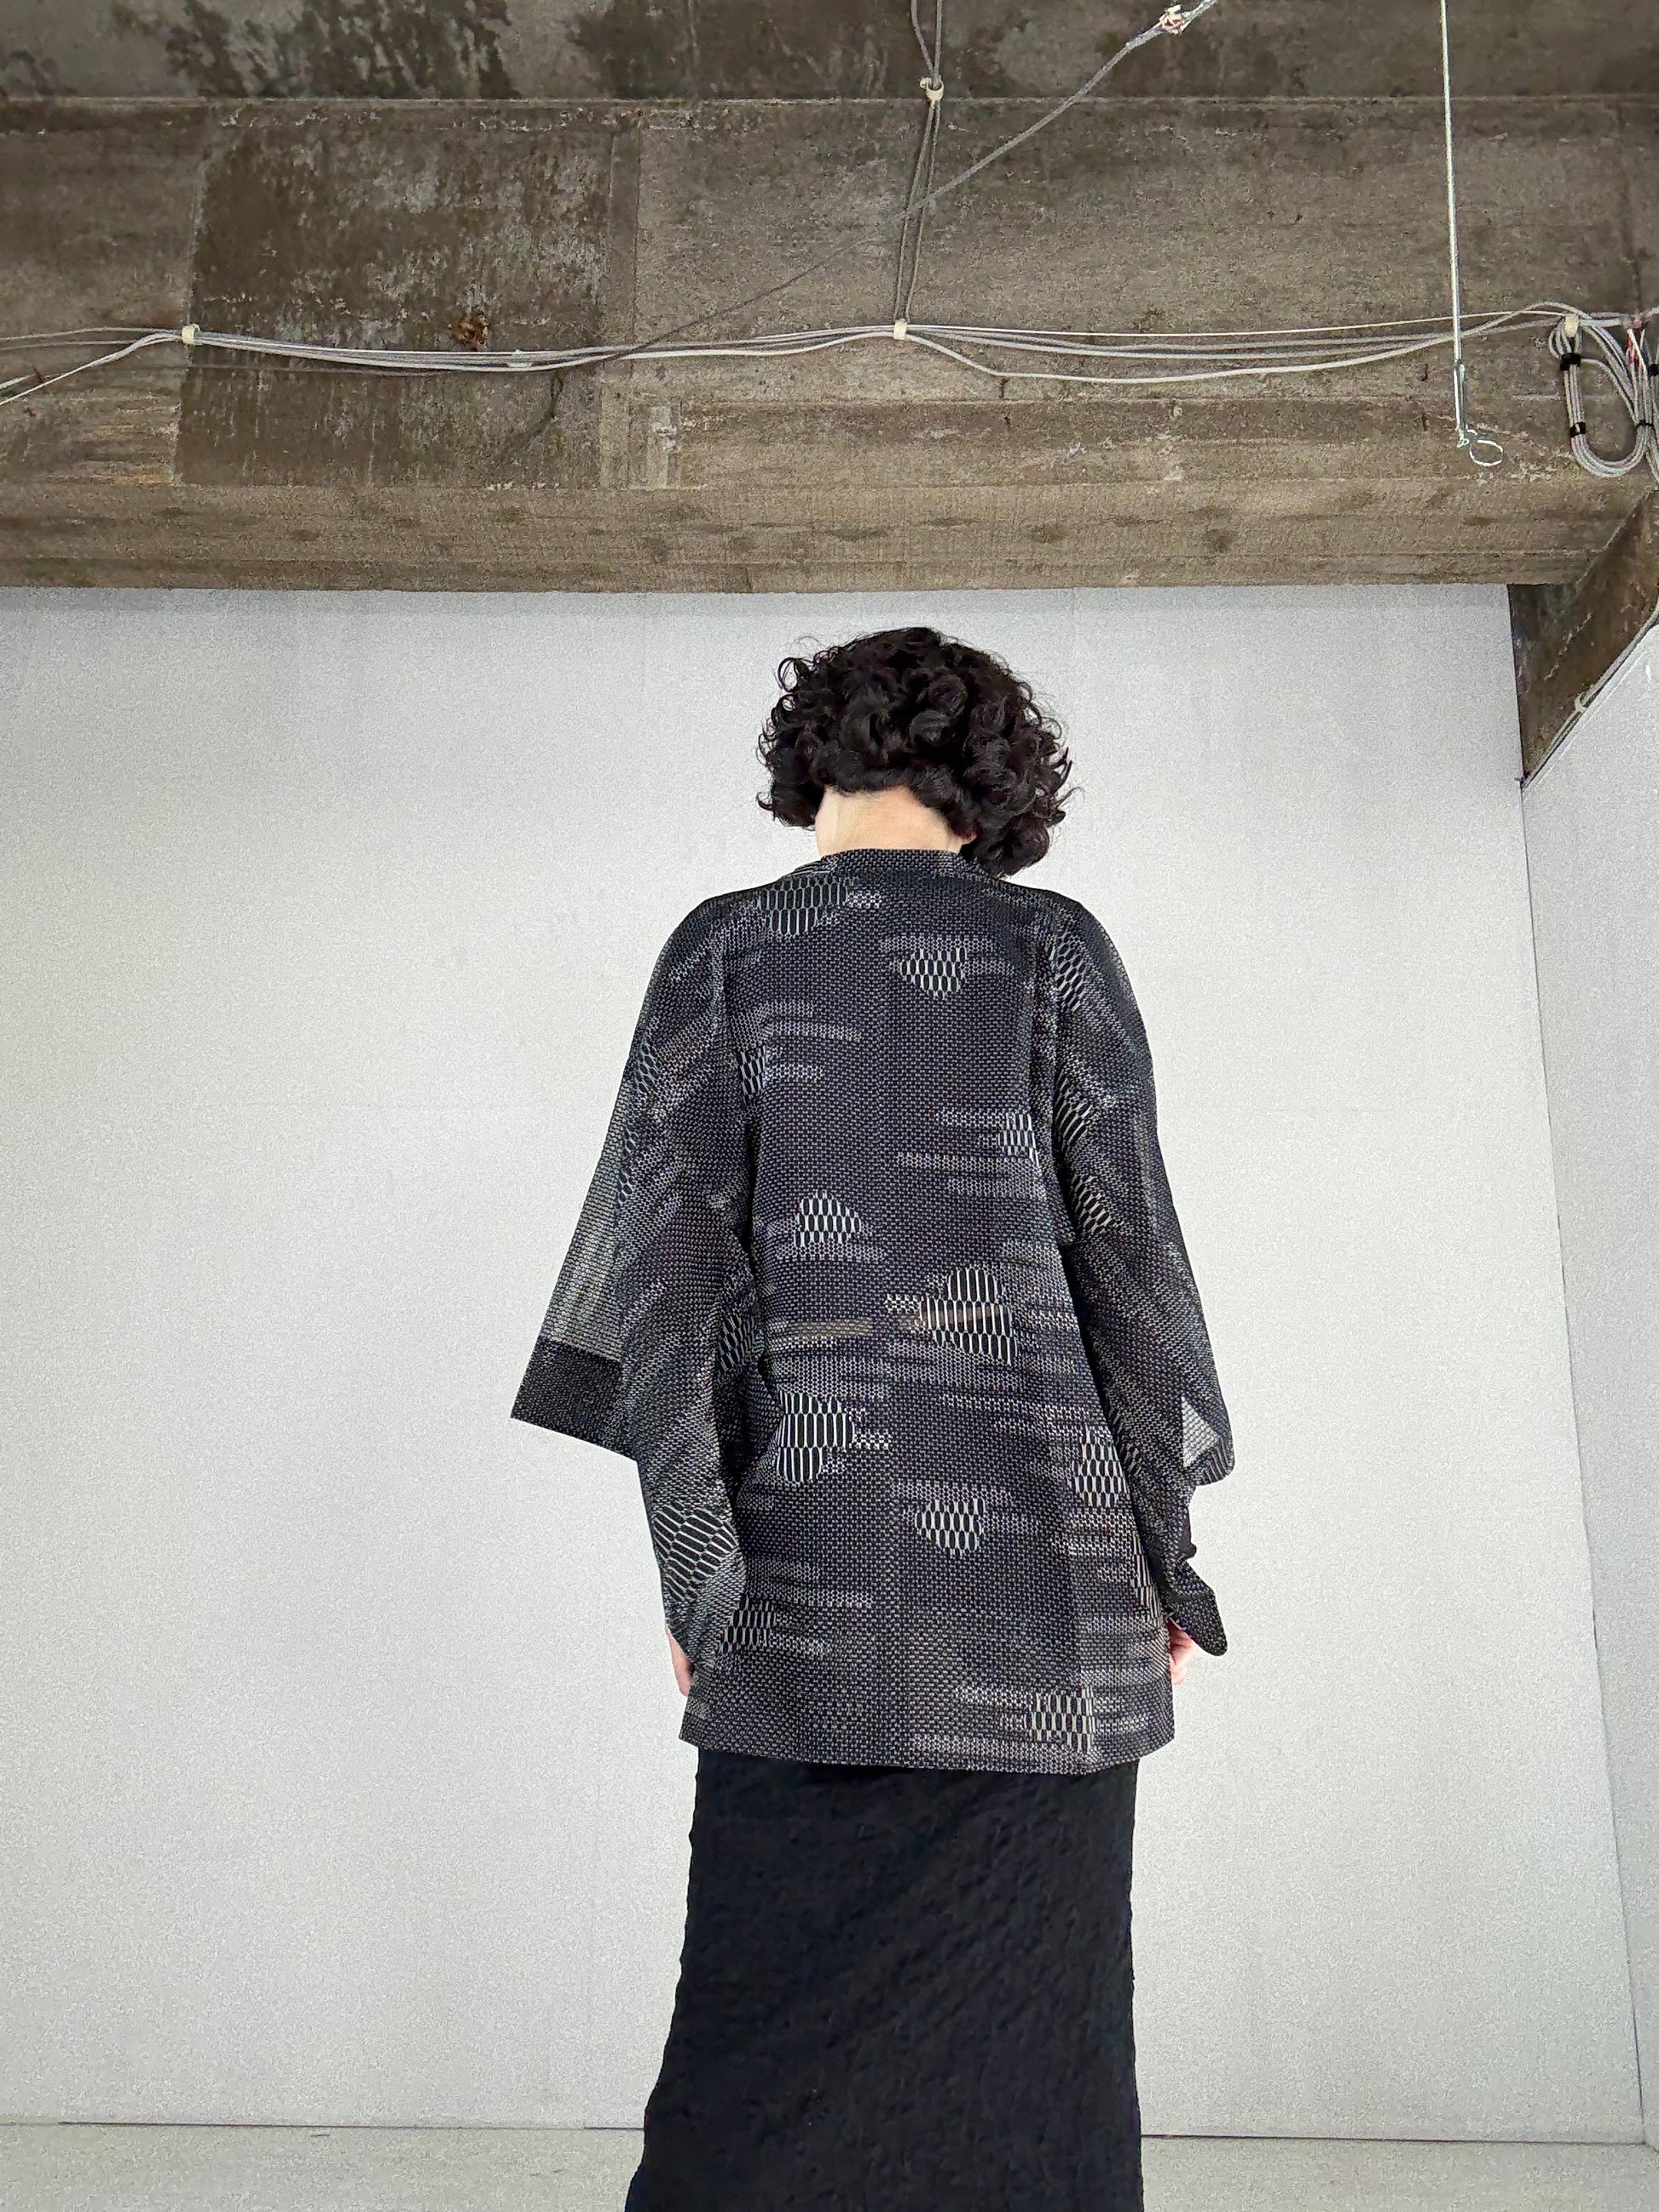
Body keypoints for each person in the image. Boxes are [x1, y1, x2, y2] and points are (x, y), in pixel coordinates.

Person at [511, 623, 1234, 2212]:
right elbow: (1128, 1265)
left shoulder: (722, 949)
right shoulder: (1051, 950)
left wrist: (699, 1569)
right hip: (1046, 1583)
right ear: (995, 785)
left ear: (811, 761)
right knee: (1031, 2038)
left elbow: (668, 1288)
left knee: (765, 2027)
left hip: (808, 1575)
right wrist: (1164, 1559)